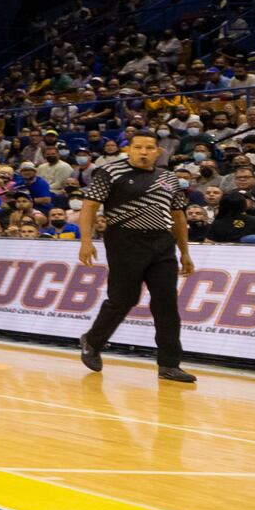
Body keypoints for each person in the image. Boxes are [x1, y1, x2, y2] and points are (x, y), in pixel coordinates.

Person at [76, 130, 196, 383]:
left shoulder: (170, 178)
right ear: (128, 149)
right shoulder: (109, 172)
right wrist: (86, 241)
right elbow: (89, 208)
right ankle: (93, 341)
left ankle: (169, 364)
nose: (143, 152)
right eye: (138, 147)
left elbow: (178, 217)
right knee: (123, 299)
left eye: (149, 148)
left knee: (166, 303)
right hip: (124, 241)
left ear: (158, 151)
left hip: (162, 243)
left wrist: (185, 251)